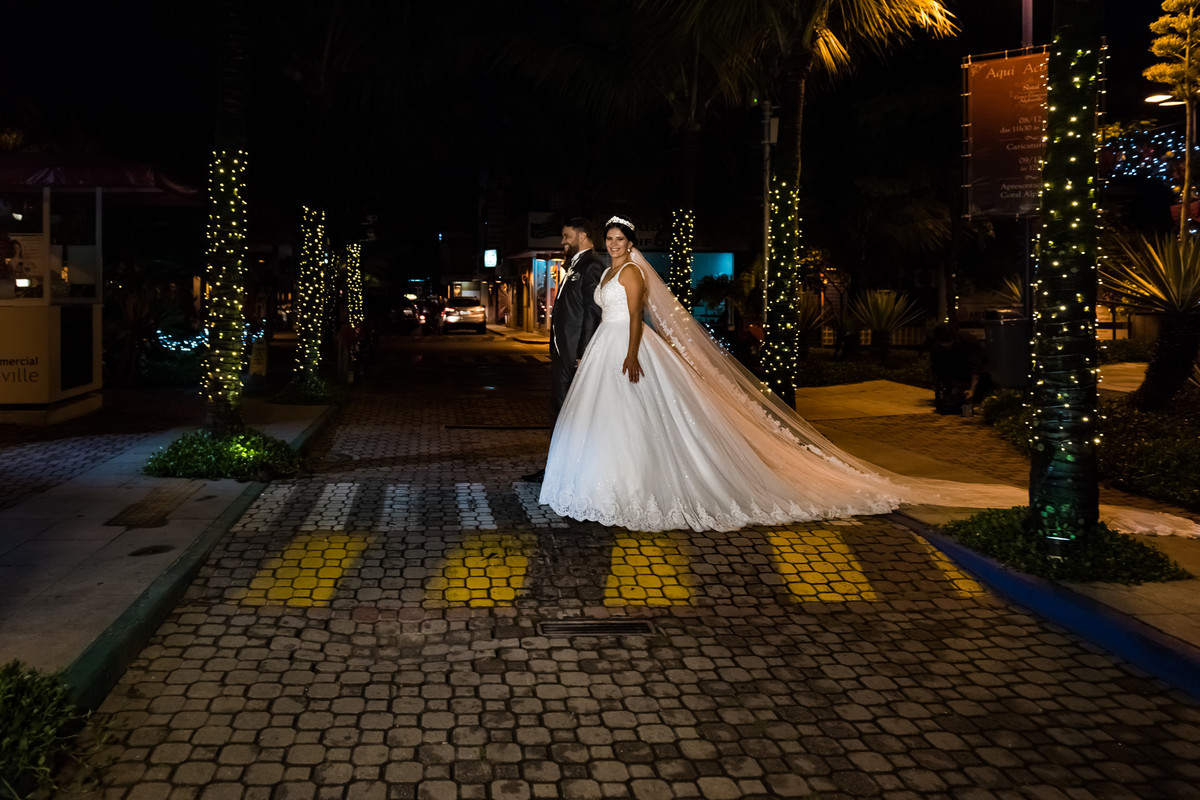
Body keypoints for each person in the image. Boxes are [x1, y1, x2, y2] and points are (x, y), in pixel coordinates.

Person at [537, 216, 1198, 537]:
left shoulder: (630, 277)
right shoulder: (601, 271)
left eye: (623, 241)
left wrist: (627, 355)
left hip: (626, 357)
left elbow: (641, 322)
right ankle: (601, 486)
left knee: (644, 426)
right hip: (604, 357)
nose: (619, 247)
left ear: (629, 245)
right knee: (600, 430)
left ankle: (631, 487)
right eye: (614, 241)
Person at [522, 217, 607, 482]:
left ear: (582, 235)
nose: (562, 241)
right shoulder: (576, 264)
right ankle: (557, 467)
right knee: (560, 410)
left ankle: (561, 472)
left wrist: (583, 352)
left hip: (574, 353)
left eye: (566, 236)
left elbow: (593, 311)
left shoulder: (592, 264)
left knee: (567, 411)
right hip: (563, 350)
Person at [929, 323, 992, 414]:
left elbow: (976, 367)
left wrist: (972, 389)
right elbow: (936, 369)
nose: (947, 345)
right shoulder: (936, 348)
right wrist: (941, 390)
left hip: (974, 373)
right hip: (954, 372)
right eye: (943, 343)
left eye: (949, 342)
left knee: (977, 393)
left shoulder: (968, 342)